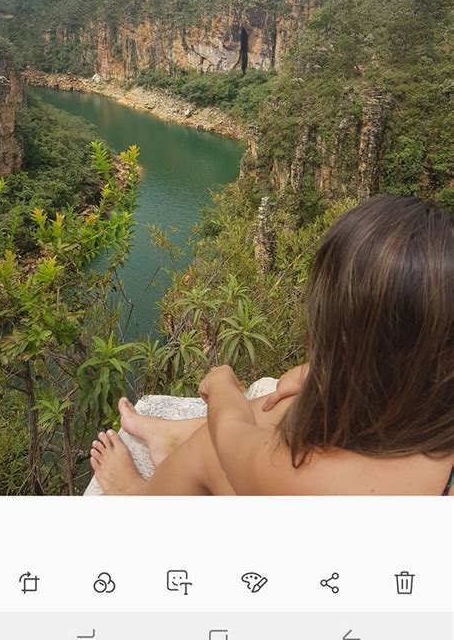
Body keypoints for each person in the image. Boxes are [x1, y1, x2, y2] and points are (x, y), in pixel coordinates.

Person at [89, 195, 454, 496]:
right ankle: (173, 432)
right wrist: (317, 376)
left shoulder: (314, 483)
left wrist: (221, 386)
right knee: (298, 401)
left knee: (208, 452)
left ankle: (136, 495)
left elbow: (232, 435)